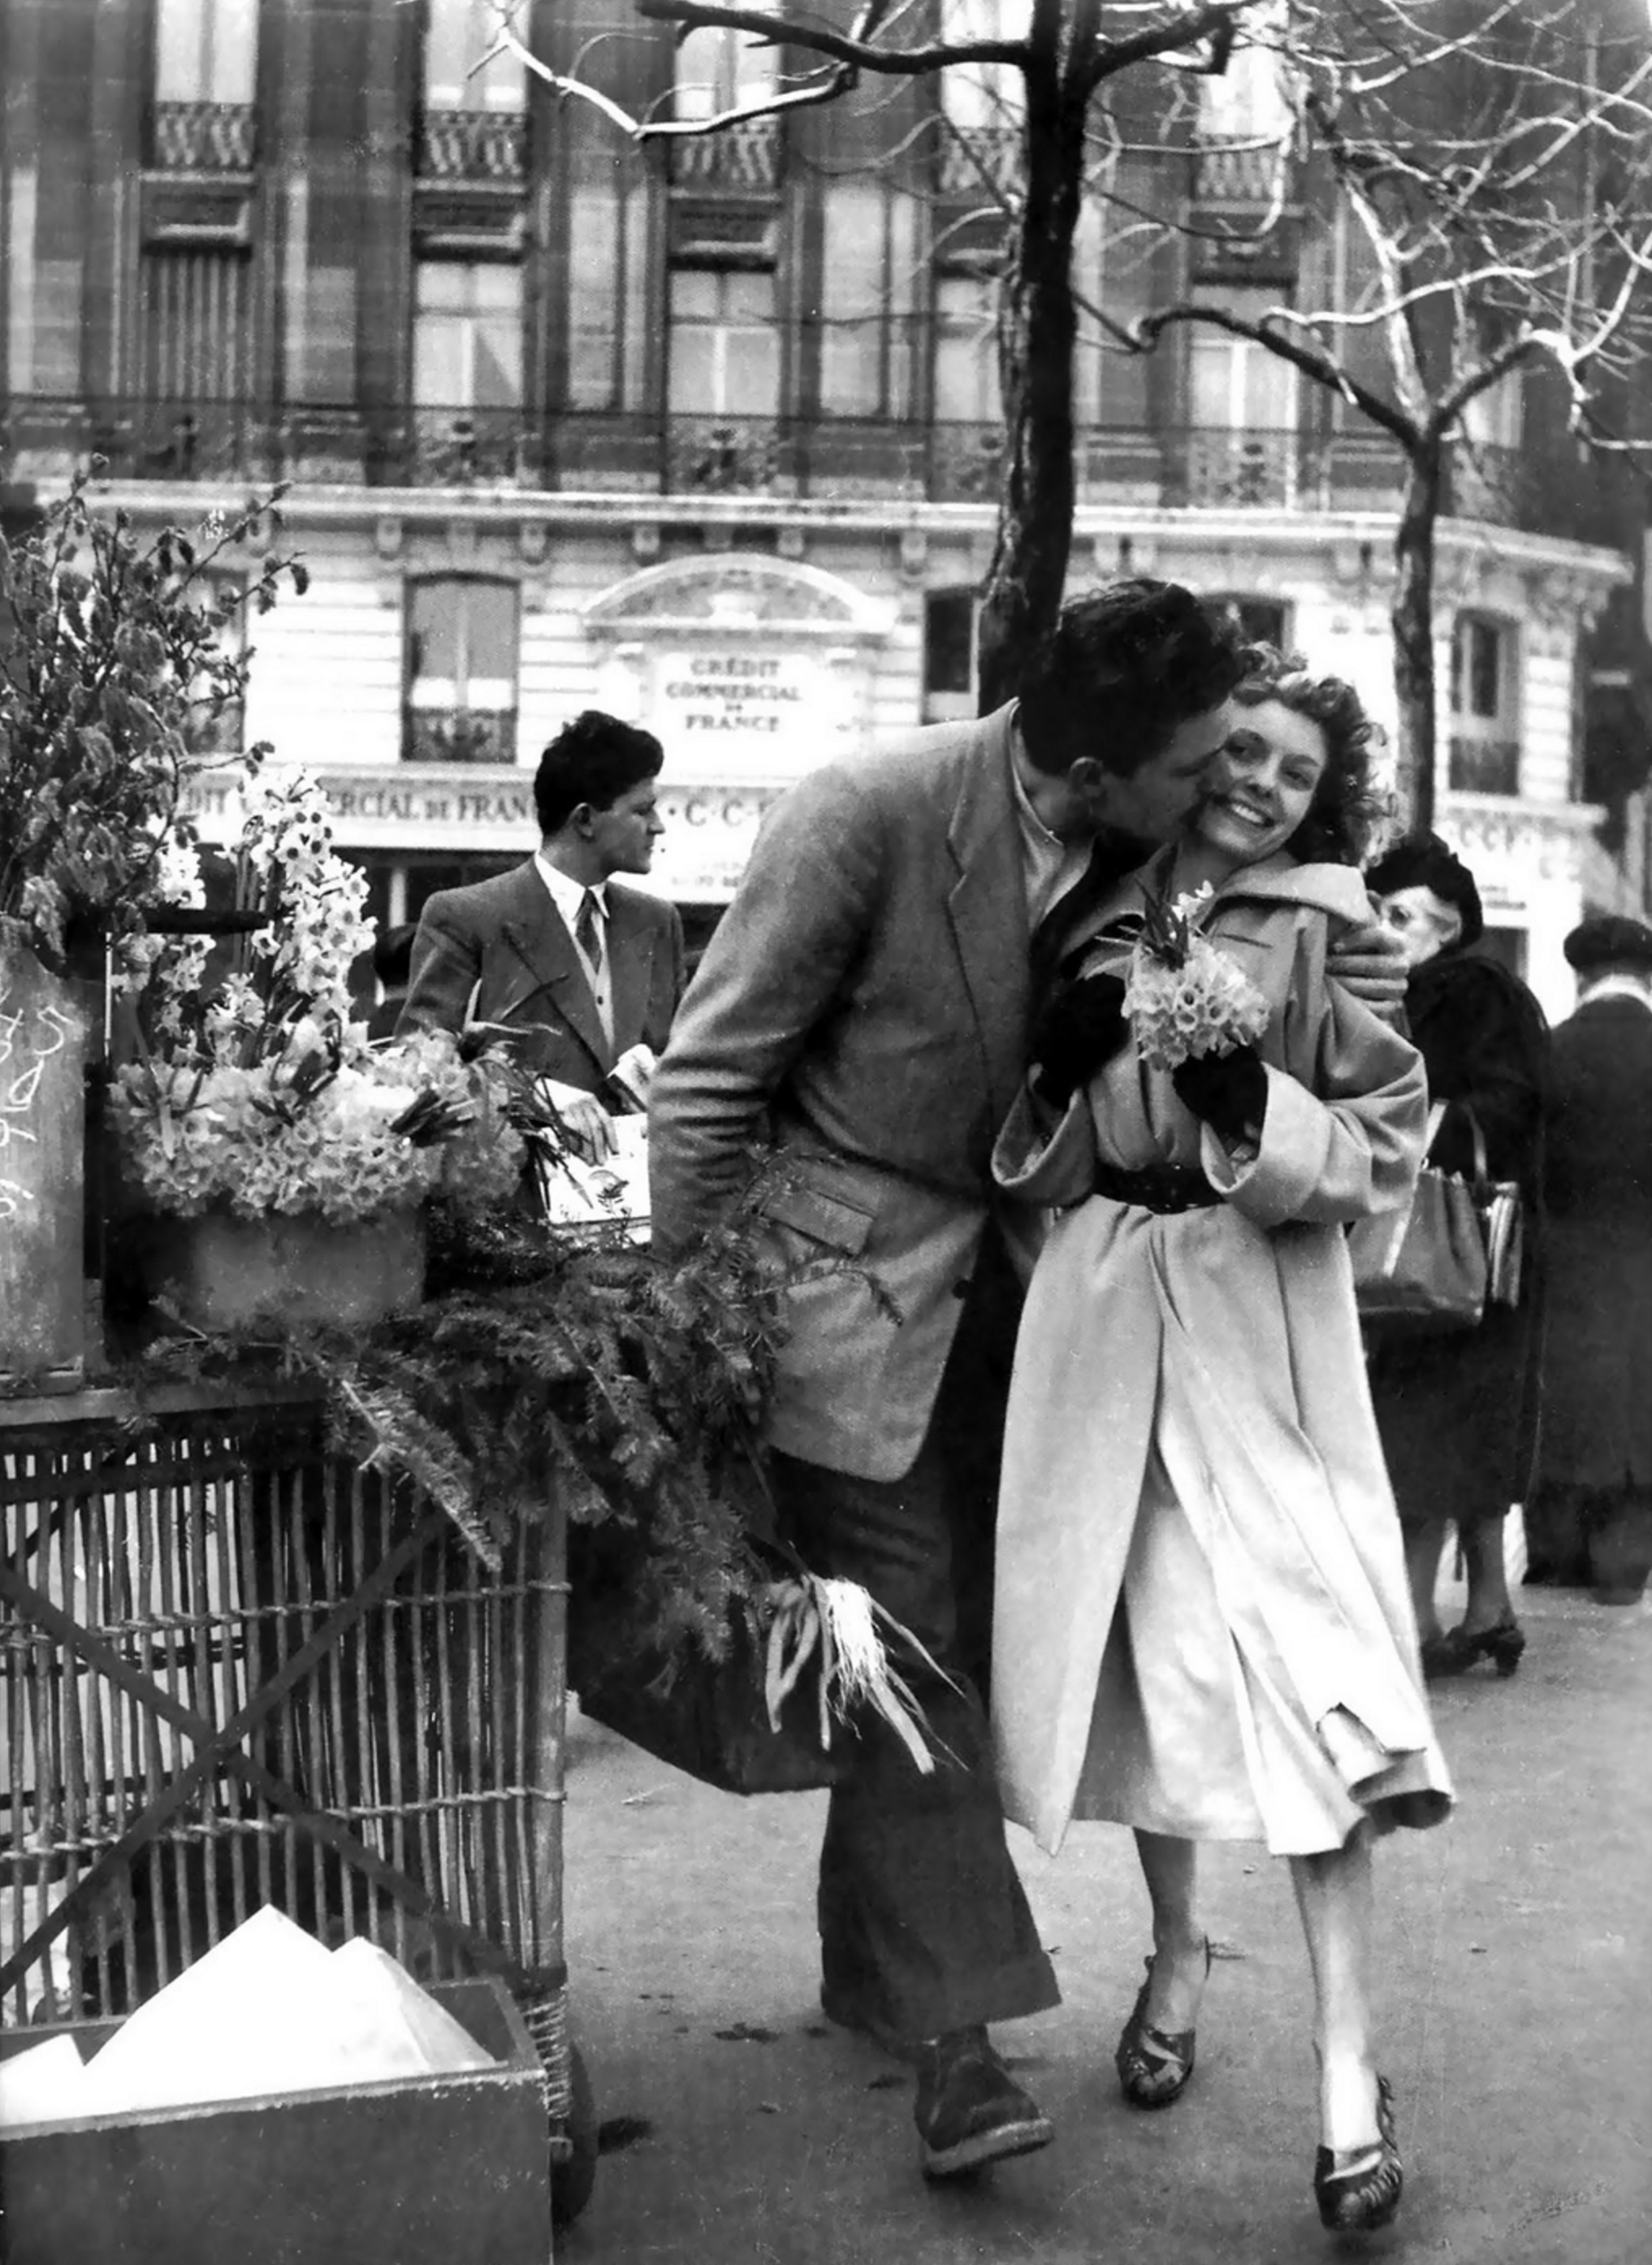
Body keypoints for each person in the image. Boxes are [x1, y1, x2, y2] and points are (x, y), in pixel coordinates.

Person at [648, 583, 1408, 2184]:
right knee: (912, 1646)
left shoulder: (1177, 874)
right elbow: (706, 1084)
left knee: (944, 1653)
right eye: (1200, 760)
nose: (1222, 785)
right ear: (1095, 769)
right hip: (846, 1306)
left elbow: (1333, 1099)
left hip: (1049, 1320)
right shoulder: (864, 809)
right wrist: (705, 1335)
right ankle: (960, 2047)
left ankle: (879, 1965)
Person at [991, 652, 1451, 2237]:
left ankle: (1346, 2070)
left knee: (1318, 1691)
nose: (1260, 785)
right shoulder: (1086, 913)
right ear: (1194, 751)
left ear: (1326, 800)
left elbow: (1387, 1140)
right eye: (1243, 751)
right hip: (1109, 1319)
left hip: (1257, 1328)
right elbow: (1034, 1170)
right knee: (1153, 1670)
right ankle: (1178, 1949)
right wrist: (1051, 1076)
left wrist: (1255, 1101)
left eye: (1296, 773)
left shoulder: (1335, 926)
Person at [1363, 836, 1549, 1676]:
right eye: (1380, 911)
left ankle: (1415, 1622)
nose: (1386, 929)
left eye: (1404, 917)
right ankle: (1487, 1608)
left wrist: (1414, 1125)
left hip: (1453, 1242)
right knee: (1464, 1425)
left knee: (1428, 1427)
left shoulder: (1469, 990)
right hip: (1462, 1252)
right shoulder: (1422, 988)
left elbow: (1513, 1102)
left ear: (1448, 927)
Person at [397, 711, 685, 1154]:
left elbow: (687, 1062)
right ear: (585, 820)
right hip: (514, 1189)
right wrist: (536, 1096)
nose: (658, 825)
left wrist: (663, 1082)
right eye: (642, 810)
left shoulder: (658, 922)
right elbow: (419, 1072)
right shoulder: (465, 917)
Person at [1524, 915, 1652, 1600]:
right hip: (1646, 1263)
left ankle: (1555, 1556)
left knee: (1568, 1401)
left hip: (1566, 1258)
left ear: (1582, 977)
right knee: (1641, 1401)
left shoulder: (1549, 1049)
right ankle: (1623, 1564)